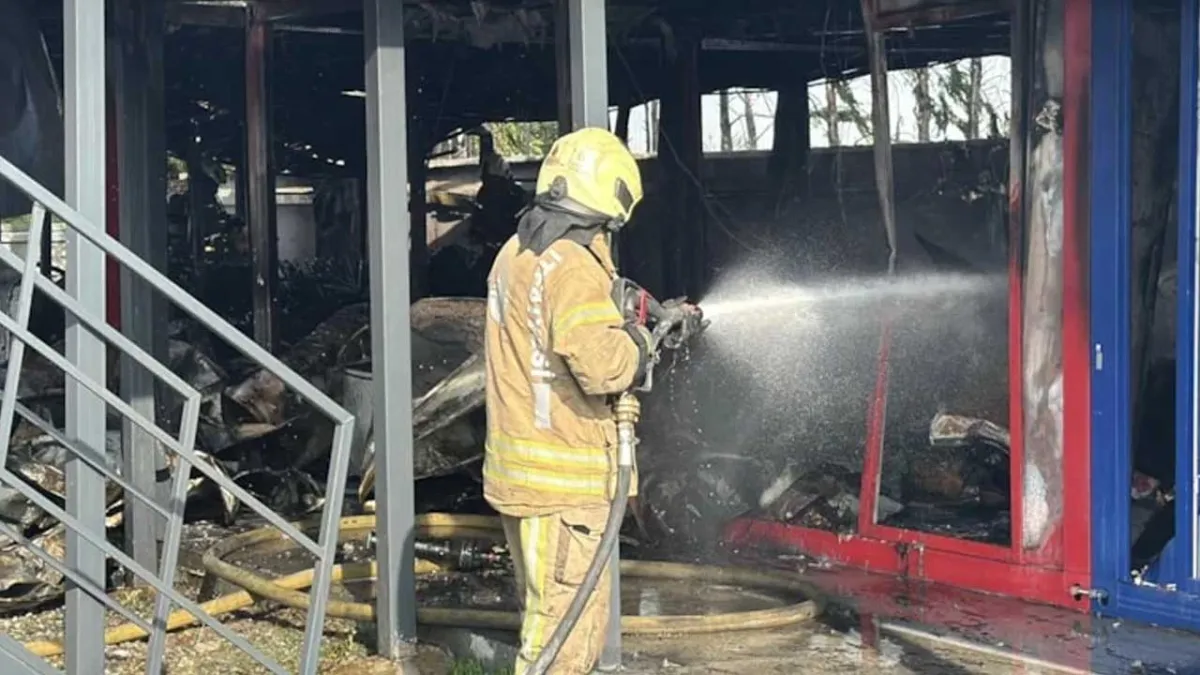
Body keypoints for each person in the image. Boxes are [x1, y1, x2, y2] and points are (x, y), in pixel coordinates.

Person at [482, 127, 691, 674]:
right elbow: (601, 366)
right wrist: (643, 344)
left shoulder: (520, 249)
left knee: (544, 616)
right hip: (565, 484)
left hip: (526, 473)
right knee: (563, 637)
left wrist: (624, 316)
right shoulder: (571, 263)